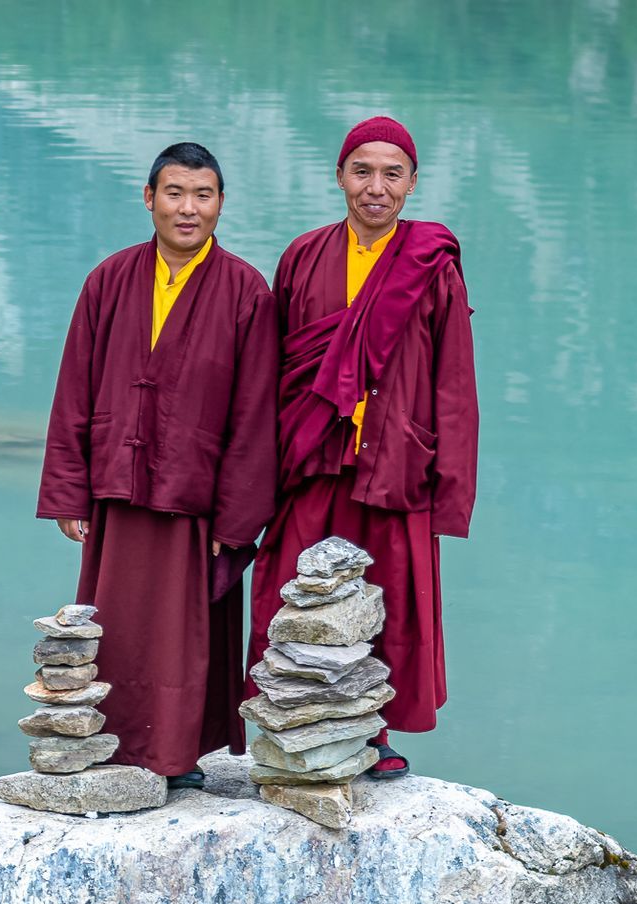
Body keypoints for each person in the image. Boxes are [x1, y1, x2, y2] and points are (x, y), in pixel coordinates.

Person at [37, 142, 278, 788]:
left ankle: (175, 758)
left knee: (183, 636)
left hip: (195, 501)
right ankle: (108, 744)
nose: (188, 209)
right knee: (114, 626)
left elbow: (257, 415)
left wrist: (239, 517)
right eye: (175, 193)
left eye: (203, 195)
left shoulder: (245, 292)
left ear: (221, 204)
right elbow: (74, 390)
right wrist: (69, 491)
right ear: (149, 199)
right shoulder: (109, 281)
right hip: (117, 486)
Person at [253, 117, 479, 777]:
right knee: (293, 592)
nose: (375, 188)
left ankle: (371, 734)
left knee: (388, 599)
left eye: (391, 174)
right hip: (311, 457)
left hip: (397, 462)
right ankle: (289, 720)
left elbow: (455, 385)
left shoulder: (430, 264)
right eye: (362, 171)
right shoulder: (303, 256)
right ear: (339, 175)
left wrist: (451, 488)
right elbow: (274, 369)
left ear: (412, 183)